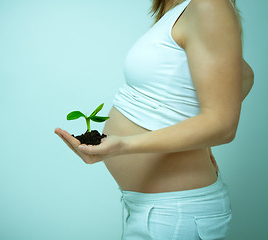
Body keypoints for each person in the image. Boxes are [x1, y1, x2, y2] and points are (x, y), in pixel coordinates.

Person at [54, 0, 254, 239]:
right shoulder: (177, 9)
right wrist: (197, 132)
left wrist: (123, 145)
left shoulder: (208, 4)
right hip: (151, 208)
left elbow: (223, 126)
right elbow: (242, 76)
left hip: (176, 213)